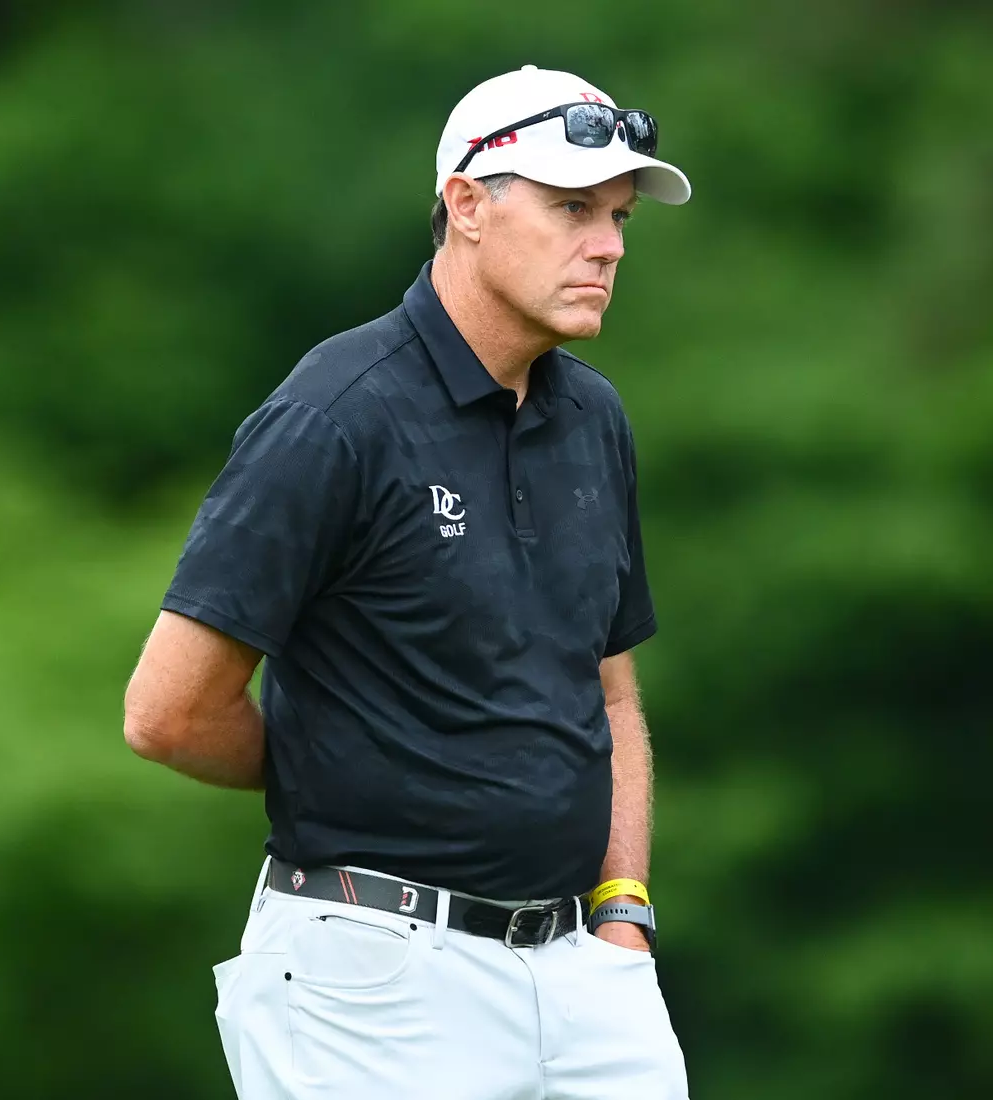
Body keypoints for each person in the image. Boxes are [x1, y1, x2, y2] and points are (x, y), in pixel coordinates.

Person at [122, 64, 692, 1099]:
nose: (607, 244)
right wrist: (360, 762)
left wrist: (622, 911)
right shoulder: (335, 416)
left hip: (586, 969)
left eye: (614, 216)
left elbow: (609, 697)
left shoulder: (594, 421)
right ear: (466, 206)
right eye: (572, 209)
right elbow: (167, 712)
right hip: (373, 974)